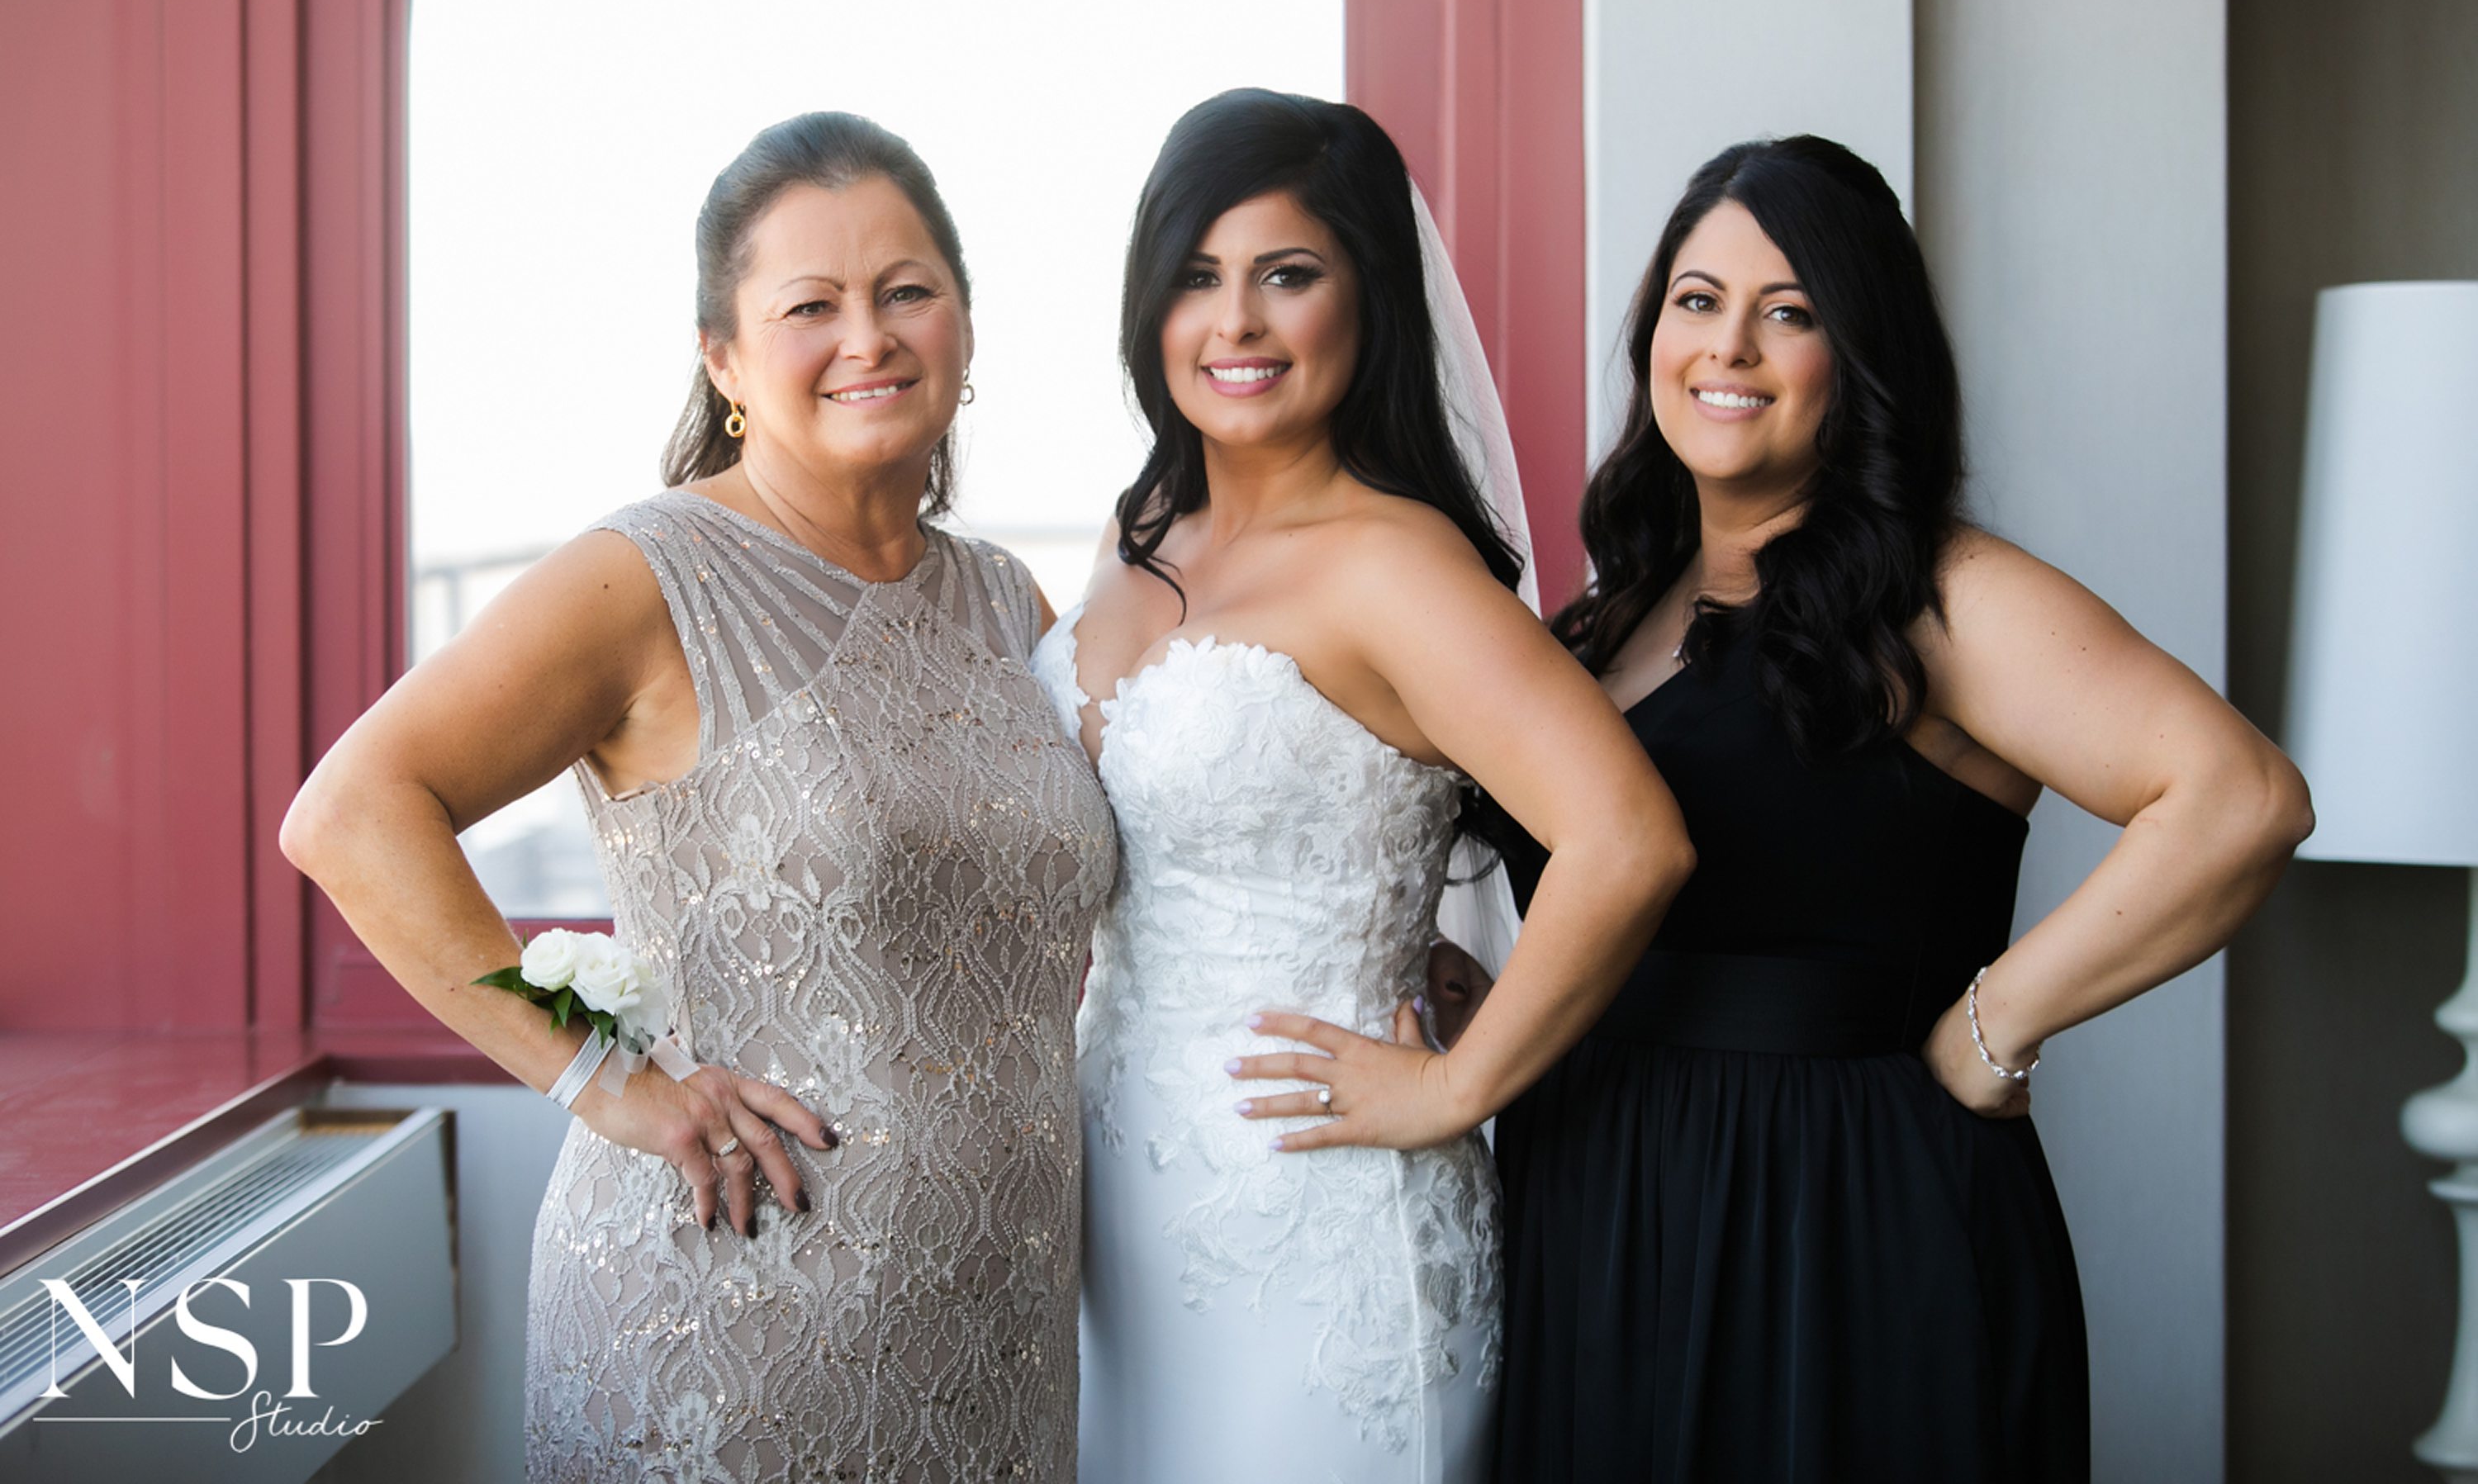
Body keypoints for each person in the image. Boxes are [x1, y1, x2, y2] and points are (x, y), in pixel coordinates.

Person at [281, 111, 1117, 1482]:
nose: (871, 337)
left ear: (964, 329)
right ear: (725, 360)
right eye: (812, 305)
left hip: (1000, 1326)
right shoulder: (649, 574)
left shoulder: (1002, 600)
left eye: (908, 291)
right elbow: (352, 810)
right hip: (735, 1311)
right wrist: (595, 1074)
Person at [1471, 135, 2315, 1480]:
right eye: (1697, 302)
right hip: (1598, 1195)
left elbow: (2242, 798)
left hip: (1840, 1214)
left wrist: (2001, 1025)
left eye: (1788, 313)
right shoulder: (1617, 605)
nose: (1727, 349)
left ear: (1862, 355)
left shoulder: (1942, 593)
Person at [1029, 88, 1693, 1484]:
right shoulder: (1139, 527)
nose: (1238, 325)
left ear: (1368, 296)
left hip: (1319, 1213)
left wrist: (1458, 1090)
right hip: (1119, 1195)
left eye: (1288, 275)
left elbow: (1628, 840)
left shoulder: (1395, 565)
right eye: (1199, 278)